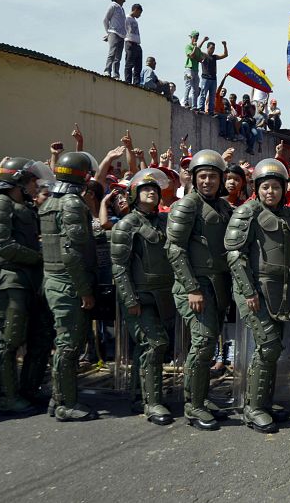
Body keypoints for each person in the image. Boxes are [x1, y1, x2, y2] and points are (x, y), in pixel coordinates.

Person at [225, 159, 290, 433]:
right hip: (254, 291)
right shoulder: (247, 212)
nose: (270, 192)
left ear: (284, 189)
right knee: (268, 345)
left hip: (279, 291)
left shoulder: (286, 214)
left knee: (273, 348)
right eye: (265, 187)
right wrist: (249, 291)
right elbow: (235, 256)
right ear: (256, 188)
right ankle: (254, 408)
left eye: (276, 187)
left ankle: (264, 403)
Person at [0, 157, 53, 416]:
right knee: (9, 341)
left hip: (27, 280)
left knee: (40, 336)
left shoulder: (24, 207)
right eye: (32, 181)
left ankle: (28, 389)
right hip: (7, 280)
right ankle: (7, 397)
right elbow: (3, 245)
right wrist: (41, 257)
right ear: (18, 181)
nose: (36, 186)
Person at [166, 150, 233, 430]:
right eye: (202, 176)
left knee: (208, 344)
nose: (207, 181)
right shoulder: (186, 206)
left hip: (217, 284)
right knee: (203, 342)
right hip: (196, 285)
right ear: (194, 178)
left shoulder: (223, 206)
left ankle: (200, 398)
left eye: (213, 176)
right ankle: (193, 406)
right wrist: (192, 288)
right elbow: (175, 249)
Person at [111, 168, 174, 426]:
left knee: (146, 347)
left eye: (154, 189)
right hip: (139, 296)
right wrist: (130, 300)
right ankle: (152, 402)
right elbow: (119, 266)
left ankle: (140, 394)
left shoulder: (163, 221)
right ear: (134, 195)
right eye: (145, 189)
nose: (151, 192)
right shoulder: (126, 225)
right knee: (155, 344)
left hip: (162, 295)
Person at [39, 152, 100, 422]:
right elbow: (72, 252)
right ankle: (66, 403)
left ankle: (59, 397)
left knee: (65, 342)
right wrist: (84, 290)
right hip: (69, 283)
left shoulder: (50, 202)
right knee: (69, 344)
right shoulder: (72, 204)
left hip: (55, 280)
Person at [196, 39, 228, 114]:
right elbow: (197, 49)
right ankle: (201, 108)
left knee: (212, 95)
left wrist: (224, 46)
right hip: (205, 78)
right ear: (207, 48)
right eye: (211, 48)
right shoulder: (204, 55)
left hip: (213, 78)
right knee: (203, 94)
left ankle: (211, 111)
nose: (213, 50)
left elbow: (225, 55)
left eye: (214, 48)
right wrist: (203, 40)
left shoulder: (214, 57)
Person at [103, 0, 126, 79]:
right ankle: (107, 70)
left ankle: (116, 74)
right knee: (112, 52)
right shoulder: (113, 5)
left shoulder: (121, 8)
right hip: (114, 33)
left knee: (118, 57)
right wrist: (108, 33)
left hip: (121, 35)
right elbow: (105, 19)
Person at [123, 4, 143, 85]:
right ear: (135, 10)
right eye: (139, 13)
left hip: (137, 44)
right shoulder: (126, 18)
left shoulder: (135, 20)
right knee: (129, 64)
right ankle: (128, 82)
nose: (140, 15)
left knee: (138, 67)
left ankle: (136, 83)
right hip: (130, 43)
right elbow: (121, 27)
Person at [183, 30, 203, 108]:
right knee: (188, 85)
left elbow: (200, 59)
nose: (196, 39)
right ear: (191, 37)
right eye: (194, 37)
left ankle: (194, 106)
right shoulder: (188, 46)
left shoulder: (197, 48)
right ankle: (185, 102)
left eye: (197, 37)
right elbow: (191, 55)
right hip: (188, 69)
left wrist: (196, 56)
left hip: (196, 70)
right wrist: (194, 48)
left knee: (196, 89)